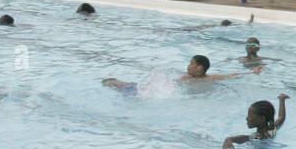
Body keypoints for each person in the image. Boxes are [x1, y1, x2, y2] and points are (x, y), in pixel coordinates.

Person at [102, 55, 263, 92]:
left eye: (191, 64)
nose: (188, 66)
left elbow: (231, 75)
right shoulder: (185, 78)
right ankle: (112, 81)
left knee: (124, 87)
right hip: (145, 89)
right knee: (122, 86)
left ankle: (113, 82)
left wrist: (251, 73)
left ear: (200, 68)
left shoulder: (211, 78)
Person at [223, 94, 289, 149]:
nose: (247, 118)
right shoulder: (273, 128)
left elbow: (246, 138)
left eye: (250, 116)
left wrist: (231, 139)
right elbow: (281, 117)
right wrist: (282, 100)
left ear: (262, 119)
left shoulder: (261, 135)